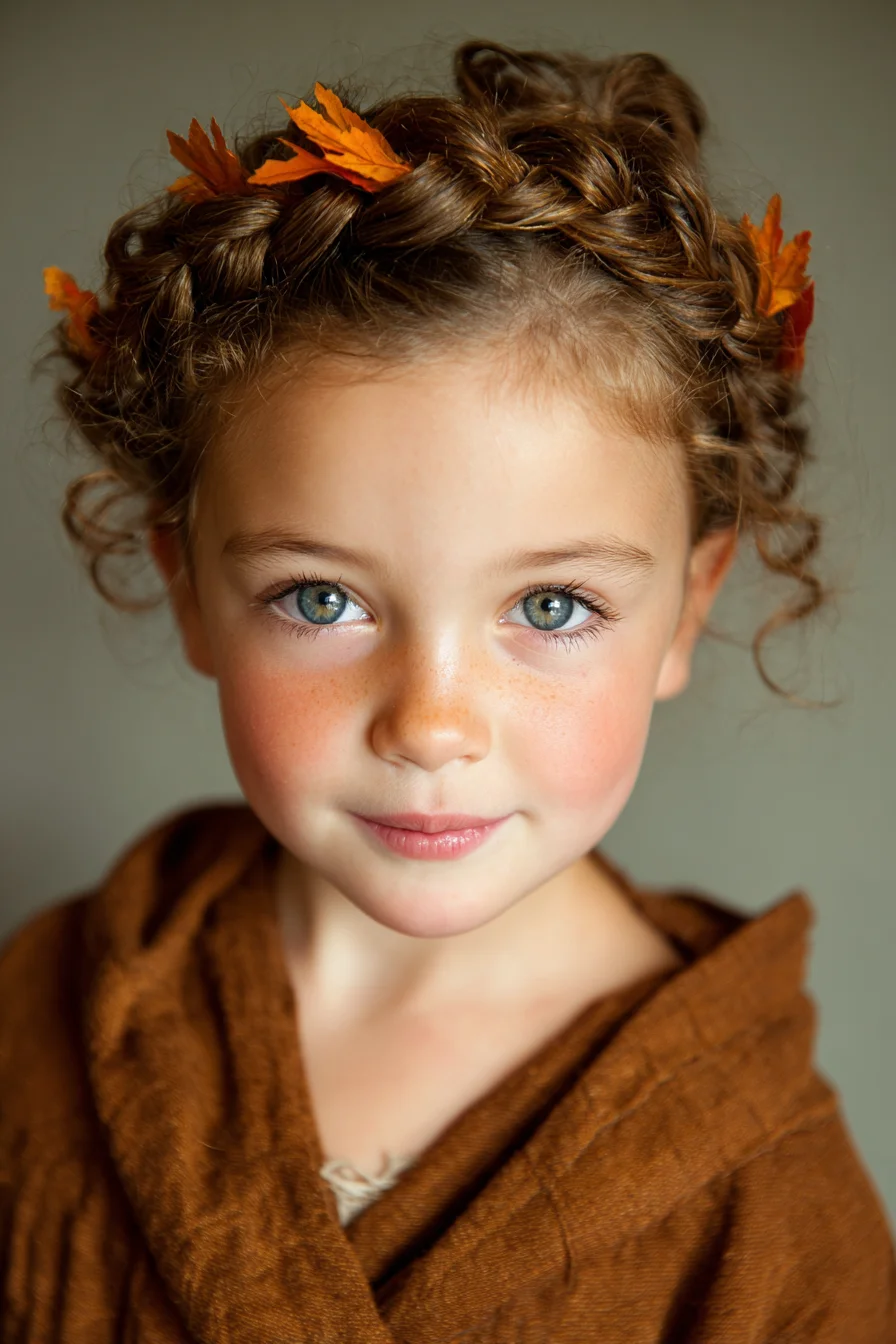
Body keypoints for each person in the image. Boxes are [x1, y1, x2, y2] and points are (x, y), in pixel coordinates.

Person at [2, 38, 894, 1343]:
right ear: (189, 590)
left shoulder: (772, 1209)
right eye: (322, 599)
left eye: (550, 607)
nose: (429, 722)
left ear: (684, 611)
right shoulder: (53, 1010)